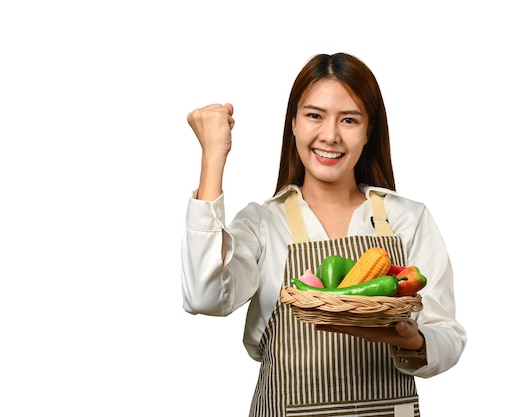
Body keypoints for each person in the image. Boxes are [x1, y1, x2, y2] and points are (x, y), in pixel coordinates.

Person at [181, 52, 466, 416]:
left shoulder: (407, 218)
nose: (329, 135)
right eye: (314, 115)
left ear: (368, 132)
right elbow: (203, 297)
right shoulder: (262, 223)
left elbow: (448, 335)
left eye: (349, 119)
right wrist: (213, 157)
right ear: (294, 124)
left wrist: (415, 340)